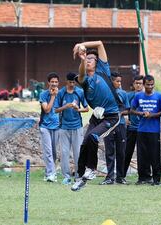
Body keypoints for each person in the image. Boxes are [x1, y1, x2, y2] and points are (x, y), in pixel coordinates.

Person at [71, 41, 121, 191]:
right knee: (85, 143)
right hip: (97, 117)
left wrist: (81, 43)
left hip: (111, 117)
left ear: (97, 62)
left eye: (90, 59)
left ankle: (92, 169)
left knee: (93, 137)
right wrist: (82, 59)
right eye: (86, 60)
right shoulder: (85, 80)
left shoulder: (103, 70)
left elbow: (99, 44)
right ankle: (80, 177)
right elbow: (80, 74)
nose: (88, 61)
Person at [54, 72, 89, 185]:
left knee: (78, 153)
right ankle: (66, 176)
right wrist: (66, 106)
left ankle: (78, 175)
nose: (72, 84)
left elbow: (87, 109)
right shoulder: (61, 93)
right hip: (64, 127)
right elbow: (56, 110)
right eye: (70, 82)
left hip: (77, 126)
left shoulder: (79, 92)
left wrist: (78, 109)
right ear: (66, 82)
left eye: (74, 82)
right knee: (64, 153)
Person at [131, 75, 161, 186]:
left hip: (154, 131)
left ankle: (156, 179)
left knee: (154, 155)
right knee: (142, 155)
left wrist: (152, 115)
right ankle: (143, 178)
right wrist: (141, 113)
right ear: (144, 84)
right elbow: (132, 110)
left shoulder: (159, 97)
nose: (150, 86)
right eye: (147, 84)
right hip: (141, 130)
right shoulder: (138, 96)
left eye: (152, 84)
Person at [101, 72, 130, 185]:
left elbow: (128, 110)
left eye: (120, 81)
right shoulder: (104, 94)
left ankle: (120, 177)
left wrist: (121, 113)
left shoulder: (123, 93)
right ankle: (109, 177)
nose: (119, 83)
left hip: (121, 125)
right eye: (117, 81)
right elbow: (100, 109)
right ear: (111, 81)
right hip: (108, 125)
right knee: (109, 151)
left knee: (121, 152)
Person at [39, 72, 60, 182]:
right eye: (52, 82)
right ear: (48, 83)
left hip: (57, 126)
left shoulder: (61, 94)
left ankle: (49, 172)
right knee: (48, 151)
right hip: (45, 126)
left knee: (54, 152)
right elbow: (46, 109)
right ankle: (51, 174)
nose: (54, 84)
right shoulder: (43, 94)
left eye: (56, 82)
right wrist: (52, 96)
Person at [123, 75, 144, 179]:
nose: (138, 85)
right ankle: (121, 176)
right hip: (131, 129)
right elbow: (124, 108)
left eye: (140, 83)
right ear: (134, 84)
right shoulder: (129, 95)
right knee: (127, 152)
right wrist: (126, 117)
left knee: (142, 155)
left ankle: (142, 177)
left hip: (143, 129)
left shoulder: (147, 96)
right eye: (137, 83)